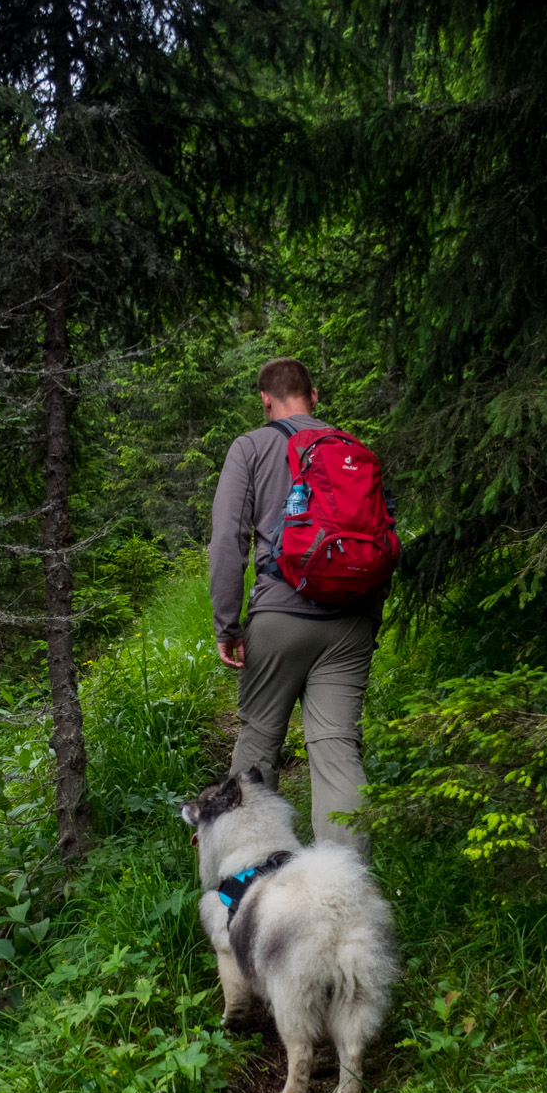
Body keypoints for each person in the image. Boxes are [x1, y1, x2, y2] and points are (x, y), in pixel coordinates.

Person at [208, 357, 381, 853]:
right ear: (315, 396)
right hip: (351, 620)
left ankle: (249, 881)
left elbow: (227, 541)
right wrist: (369, 616)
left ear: (264, 399)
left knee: (259, 744)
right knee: (337, 753)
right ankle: (344, 899)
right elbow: (382, 536)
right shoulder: (352, 451)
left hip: (280, 616)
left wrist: (228, 624)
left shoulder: (252, 446)